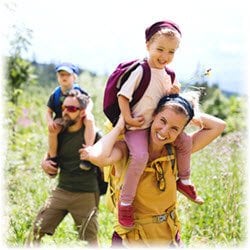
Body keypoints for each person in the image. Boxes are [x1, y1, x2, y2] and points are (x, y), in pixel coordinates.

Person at [79, 91, 226, 247]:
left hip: (168, 237)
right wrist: (120, 126)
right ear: (153, 115)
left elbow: (218, 126)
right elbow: (97, 157)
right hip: (131, 241)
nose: (164, 131)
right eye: (162, 120)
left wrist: (186, 111)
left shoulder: (176, 151)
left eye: (174, 128)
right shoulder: (126, 150)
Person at [115, 20, 202, 228]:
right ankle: (125, 202)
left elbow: (166, 104)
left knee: (185, 142)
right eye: (160, 49)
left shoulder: (168, 75)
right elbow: (123, 96)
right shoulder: (140, 70)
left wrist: (173, 93)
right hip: (137, 126)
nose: (165, 56)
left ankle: (184, 180)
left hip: (156, 125)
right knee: (141, 156)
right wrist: (127, 119)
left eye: (171, 52)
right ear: (148, 46)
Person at [31, 90, 100, 246]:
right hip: (62, 190)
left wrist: (92, 155)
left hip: (86, 193)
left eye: (71, 109)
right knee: (36, 229)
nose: (65, 112)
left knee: (91, 240)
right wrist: (44, 162)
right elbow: (50, 154)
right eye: (64, 107)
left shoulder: (94, 133)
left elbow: (104, 158)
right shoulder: (59, 132)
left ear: (82, 112)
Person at [46, 62, 96, 172]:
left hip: (78, 117)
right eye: (61, 75)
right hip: (62, 119)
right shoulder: (56, 93)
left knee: (89, 119)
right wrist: (50, 121)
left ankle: (87, 152)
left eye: (67, 75)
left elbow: (89, 101)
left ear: (74, 77)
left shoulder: (79, 91)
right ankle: (53, 158)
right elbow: (48, 110)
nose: (64, 77)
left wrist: (87, 111)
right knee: (52, 130)